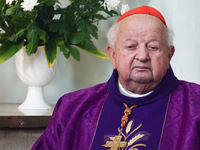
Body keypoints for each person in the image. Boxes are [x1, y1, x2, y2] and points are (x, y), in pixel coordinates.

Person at [32, 6, 200, 150]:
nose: (142, 55)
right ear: (112, 55)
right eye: (130, 46)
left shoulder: (195, 105)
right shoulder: (72, 107)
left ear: (169, 55)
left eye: (153, 47)